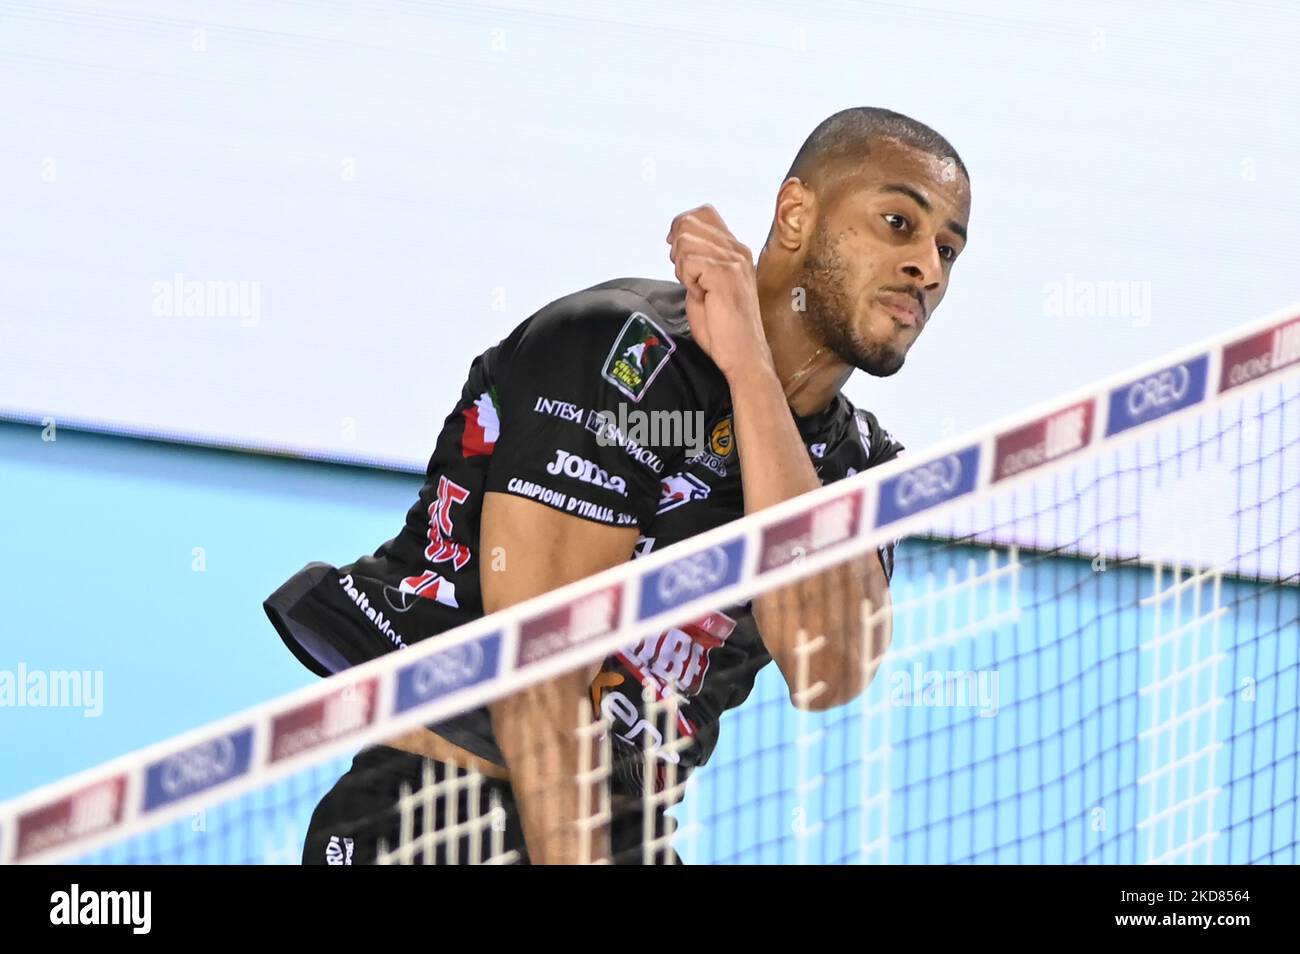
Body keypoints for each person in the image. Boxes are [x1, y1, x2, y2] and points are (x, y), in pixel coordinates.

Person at [264, 106, 972, 864]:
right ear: (796, 214)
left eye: (949, 250)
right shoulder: (620, 354)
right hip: (440, 818)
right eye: (900, 222)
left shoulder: (860, 466)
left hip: (622, 831)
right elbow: (538, 682)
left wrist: (752, 374)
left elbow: (827, 670)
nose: (927, 268)